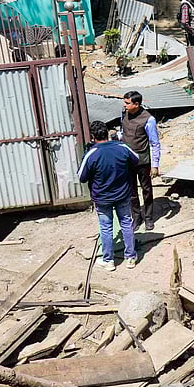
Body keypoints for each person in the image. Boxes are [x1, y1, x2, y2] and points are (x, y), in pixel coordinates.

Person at [77, 120, 140, 271]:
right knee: (126, 223)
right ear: (106, 132)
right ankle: (130, 257)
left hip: (102, 197)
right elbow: (136, 159)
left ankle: (108, 260)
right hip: (123, 194)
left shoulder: (92, 153)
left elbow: (81, 176)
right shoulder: (121, 147)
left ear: (92, 137)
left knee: (106, 228)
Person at [119, 90, 161, 230]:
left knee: (146, 189)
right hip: (127, 159)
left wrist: (155, 165)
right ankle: (136, 217)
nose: (124, 105)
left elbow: (154, 143)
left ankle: (149, 217)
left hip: (143, 161)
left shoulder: (148, 119)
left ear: (136, 104)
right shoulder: (124, 113)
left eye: (127, 103)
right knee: (131, 190)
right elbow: (123, 131)